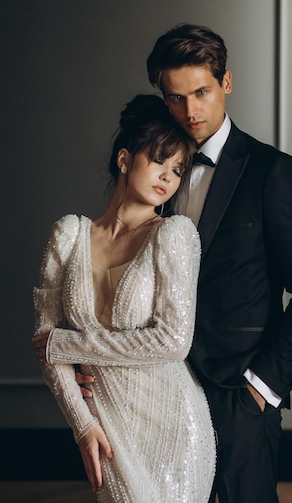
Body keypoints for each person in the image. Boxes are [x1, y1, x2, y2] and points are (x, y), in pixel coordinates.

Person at [140, 23, 292, 503]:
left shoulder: (272, 171)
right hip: (165, 391)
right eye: (176, 98)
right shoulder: (157, 173)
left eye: (201, 92)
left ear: (226, 82)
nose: (190, 111)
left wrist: (263, 385)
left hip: (239, 394)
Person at [32, 93, 216, 502]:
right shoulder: (68, 235)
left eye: (177, 169)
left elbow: (172, 341)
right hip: (106, 423)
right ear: (124, 159)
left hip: (173, 423)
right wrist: (83, 426)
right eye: (158, 161)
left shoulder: (174, 235)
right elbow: (46, 345)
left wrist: (69, 344)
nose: (168, 178)